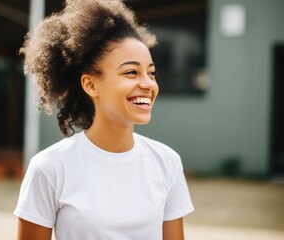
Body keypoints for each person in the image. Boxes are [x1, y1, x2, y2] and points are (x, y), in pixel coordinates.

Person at [14, 0, 194, 239]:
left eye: (151, 73)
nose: (148, 84)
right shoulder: (49, 168)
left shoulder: (167, 163)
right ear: (90, 84)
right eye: (131, 72)